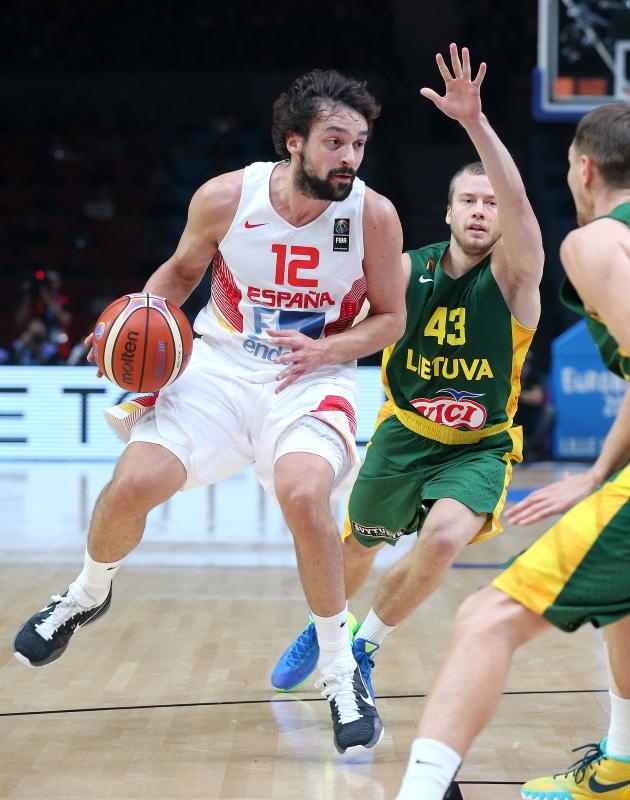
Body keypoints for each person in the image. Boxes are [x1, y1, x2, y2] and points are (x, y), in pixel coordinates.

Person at [12, 68, 407, 756]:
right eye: (335, 141)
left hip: (312, 376)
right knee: (132, 483)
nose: (350, 157)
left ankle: (341, 672)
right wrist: (129, 325)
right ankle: (84, 593)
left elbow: (391, 319)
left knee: (306, 492)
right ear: (294, 142)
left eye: (359, 143)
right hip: (219, 368)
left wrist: (330, 349)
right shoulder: (228, 197)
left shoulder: (372, 215)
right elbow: (179, 276)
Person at [270, 43, 544, 711]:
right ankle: (323, 623)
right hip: (402, 437)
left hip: (480, 445)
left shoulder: (514, 280)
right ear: (448, 214)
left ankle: (364, 646)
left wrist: (475, 124)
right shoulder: (401, 270)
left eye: (490, 203)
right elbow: (343, 319)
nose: (482, 210)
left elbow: (518, 201)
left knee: (446, 537)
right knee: (356, 553)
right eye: (468, 201)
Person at [395, 100, 630, 800]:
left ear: (583, 169)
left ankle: (421, 789)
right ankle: (620, 765)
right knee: (620, 599)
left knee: (486, 618)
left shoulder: (594, 245)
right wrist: (595, 473)